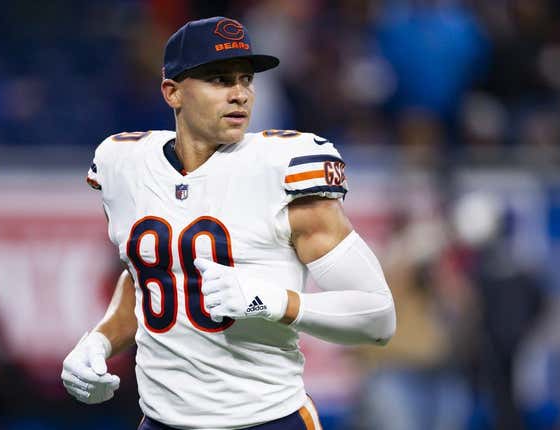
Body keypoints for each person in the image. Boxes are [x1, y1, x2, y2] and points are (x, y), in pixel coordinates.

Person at [61, 16, 396, 430]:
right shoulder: (124, 165)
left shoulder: (281, 168)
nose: (240, 95)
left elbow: (378, 317)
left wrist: (273, 302)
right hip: (161, 421)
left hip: (267, 420)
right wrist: (98, 339)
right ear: (172, 92)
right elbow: (149, 273)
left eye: (246, 80)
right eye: (220, 80)